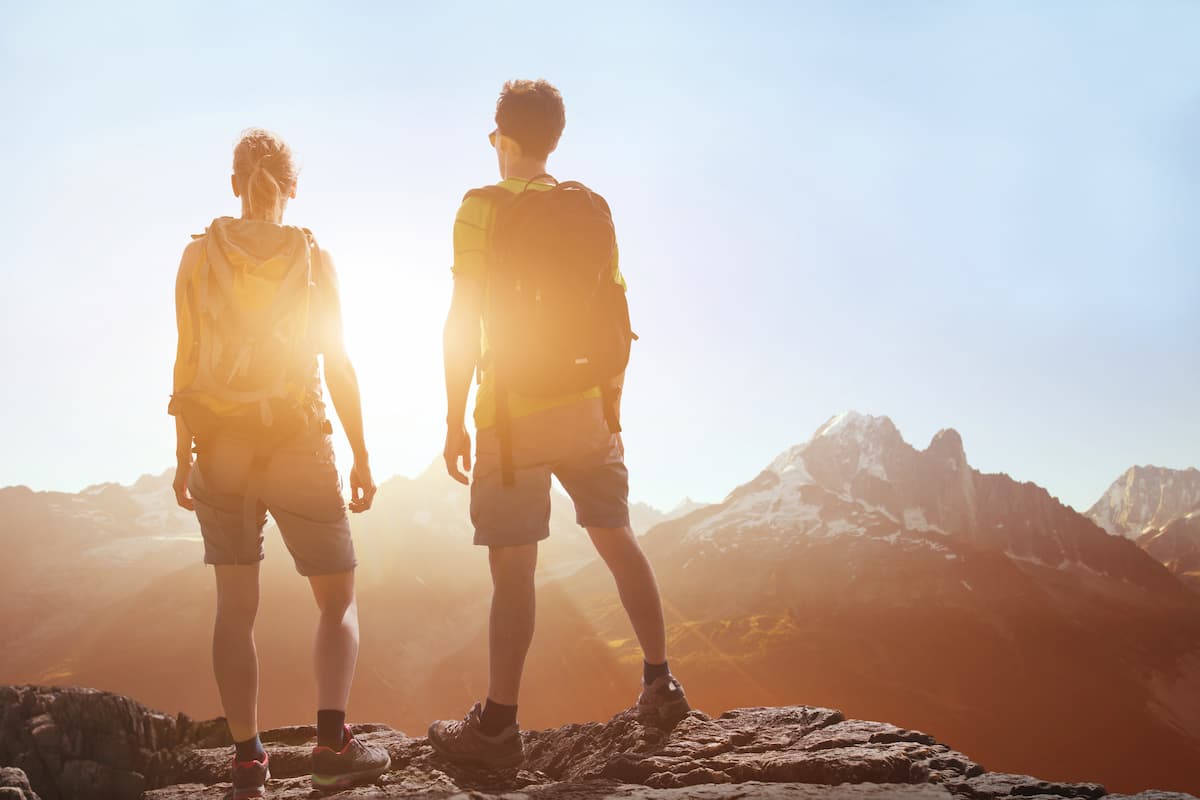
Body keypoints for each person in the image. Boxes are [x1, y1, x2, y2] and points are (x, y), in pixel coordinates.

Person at [429, 80, 689, 769]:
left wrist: (454, 419)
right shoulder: (590, 208)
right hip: (587, 407)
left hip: (513, 419)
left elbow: (463, 319)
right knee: (616, 535)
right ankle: (661, 681)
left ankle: (497, 729)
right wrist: (612, 411)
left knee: (514, 570)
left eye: (493, 140)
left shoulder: (479, 208)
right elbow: (615, 313)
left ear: (505, 142)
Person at [169, 129, 390, 797]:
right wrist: (360, 453)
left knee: (235, 609)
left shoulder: (199, 256)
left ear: (234, 183)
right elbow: (339, 364)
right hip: (298, 443)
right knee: (337, 599)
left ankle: (247, 761)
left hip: (223, 450)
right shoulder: (314, 260)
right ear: (292, 189)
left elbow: (185, 360)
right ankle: (331, 746)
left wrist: (183, 454)